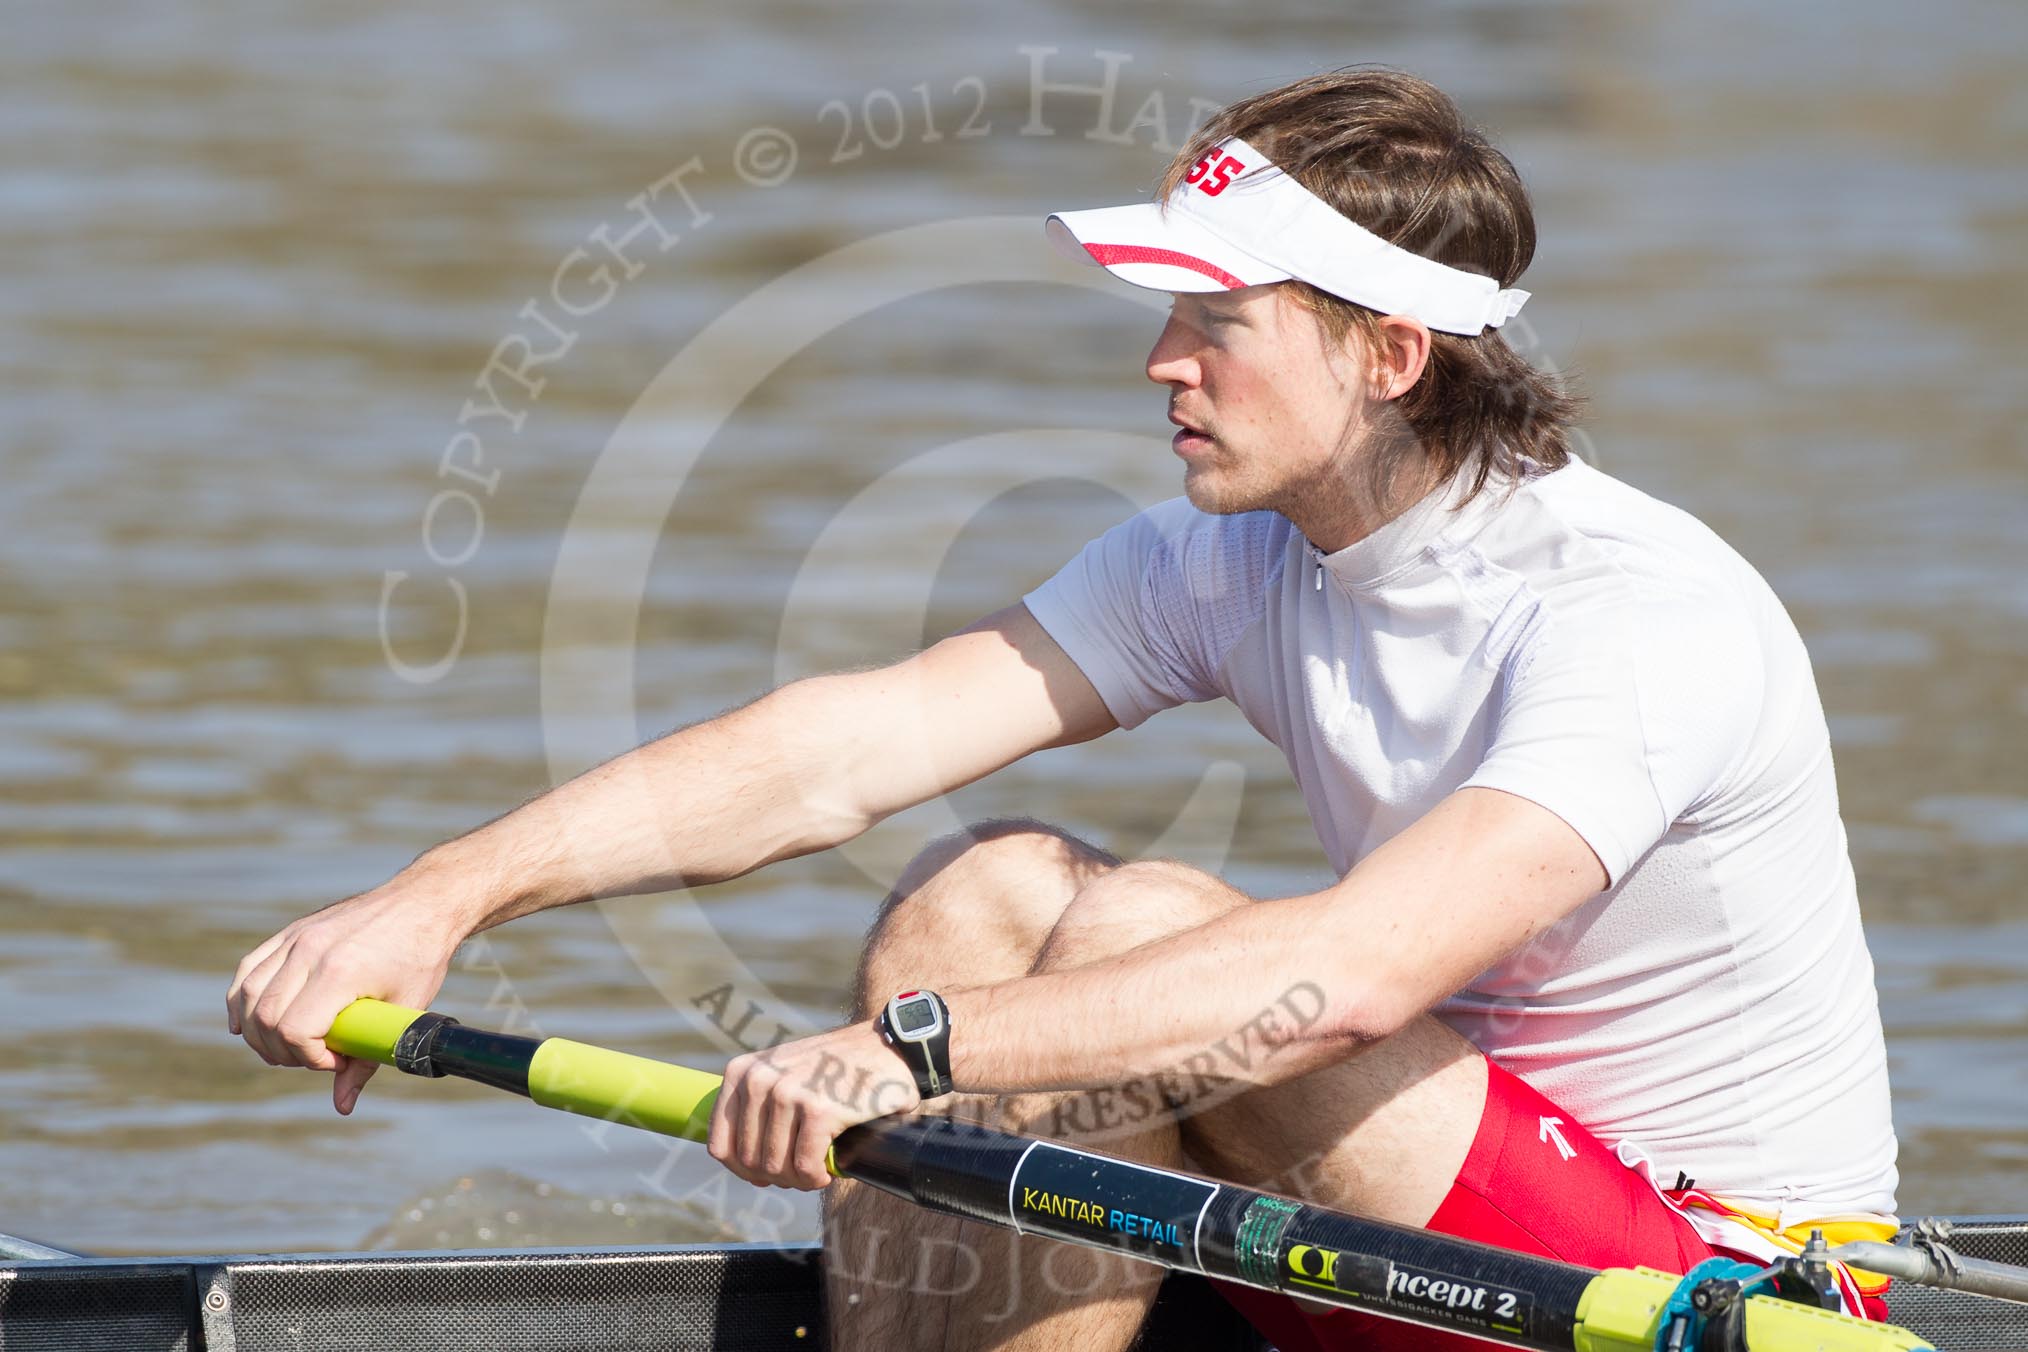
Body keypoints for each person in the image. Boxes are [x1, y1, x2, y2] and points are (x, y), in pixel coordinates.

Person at [228, 69, 1900, 1351]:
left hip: (1713, 1289)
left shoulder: (1632, 617)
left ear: (1389, 356)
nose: (1161, 363)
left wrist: (899, 1057)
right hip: (1415, 1235)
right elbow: (837, 753)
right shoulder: (1228, 556)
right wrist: (440, 893)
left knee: (1142, 927)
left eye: (1215, 324)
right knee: (993, 887)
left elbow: (1357, 974)